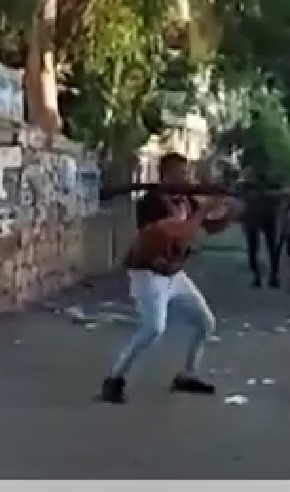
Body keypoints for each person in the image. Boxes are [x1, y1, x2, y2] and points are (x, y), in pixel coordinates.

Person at [99, 153, 237, 404]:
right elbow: (180, 230)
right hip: (147, 274)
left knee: (205, 323)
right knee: (153, 328)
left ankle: (188, 374)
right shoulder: (152, 202)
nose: (188, 178)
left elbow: (209, 226)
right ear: (167, 176)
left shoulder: (185, 199)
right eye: (182, 174)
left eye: (188, 173)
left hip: (173, 274)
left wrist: (230, 209)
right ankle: (115, 379)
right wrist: (205, 207)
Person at [241, 167, 282, 288]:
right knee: (255, 249)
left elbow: (278, 200)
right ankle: (259, 276)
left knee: (270, 248)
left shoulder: (271, 185)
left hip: (266, 217)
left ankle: (271, 275)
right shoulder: (245, 186)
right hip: (254, 218)